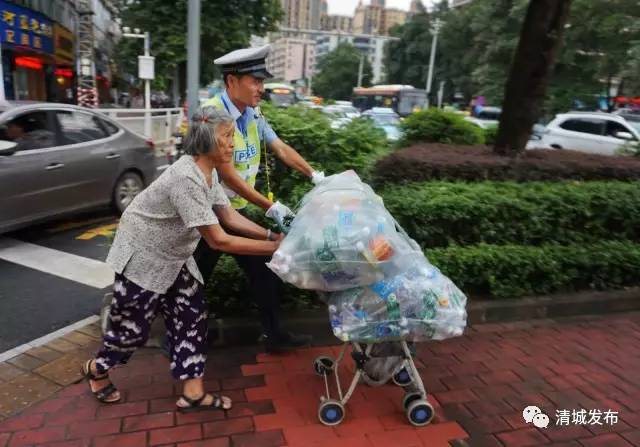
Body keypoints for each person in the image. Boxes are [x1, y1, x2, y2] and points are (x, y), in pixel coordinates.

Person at [81, 107, 281, 411]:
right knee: (130, 331)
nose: (233, 144)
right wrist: (276, 250)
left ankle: (193, 392)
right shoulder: (186, 178)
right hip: (143, 257)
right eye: (227, 137)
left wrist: (271, 237)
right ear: (205, 140)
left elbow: (229, 217)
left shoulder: (207, 172)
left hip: (174, 257)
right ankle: (97, 369)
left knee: (192, 317)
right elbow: (219, 239)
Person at [196, 45, 325, 352]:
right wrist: (272, 207)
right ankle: (184, 338)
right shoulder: (211, 116)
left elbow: (279, 147)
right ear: (231, 81)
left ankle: (274, 336)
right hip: (205, 214)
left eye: (261, 81)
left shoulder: (252, 114)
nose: (261, 88)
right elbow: (229, 177)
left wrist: (315, 175)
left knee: (266, 268)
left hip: (236, 213)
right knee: (194, 279)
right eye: (254, 81)